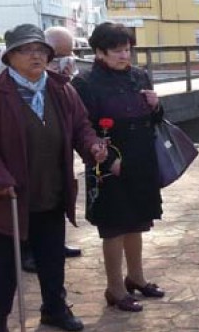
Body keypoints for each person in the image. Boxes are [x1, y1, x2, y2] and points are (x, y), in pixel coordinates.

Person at [0, 23, 107, 332]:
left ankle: (54, 310)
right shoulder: (0, 93)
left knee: (52, 259)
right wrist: (1, 179)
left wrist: (92, 146)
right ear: (10, 57)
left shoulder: (61, 89)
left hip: (51, 190)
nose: (36, 56)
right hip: (9, 198)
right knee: (4, 267)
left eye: (41, 50)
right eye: (26, 50)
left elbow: (81, 127)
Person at [71, 21, 165, 313]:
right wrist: (108, 161)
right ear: (99, 52)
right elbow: (80, 127)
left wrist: (156, 106)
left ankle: (136, 277)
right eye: (116, 51)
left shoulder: (139, 76)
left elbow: (156, 121)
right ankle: (115, 288)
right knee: (114, 225)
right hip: (106, 160)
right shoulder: (85, 83)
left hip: (140, 158)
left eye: (127, 50)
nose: (124, 56)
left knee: (137, 220)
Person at [17, 26, 84, 275]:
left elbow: (79, 122)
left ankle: (53, 246)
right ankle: (28, 251)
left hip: (54, 160)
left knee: (54, 198)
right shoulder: (7, 83)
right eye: (58, 55)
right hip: (21, 163)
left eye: (68, 55)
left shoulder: (61, 83)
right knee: (28, 205)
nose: (62, 60)